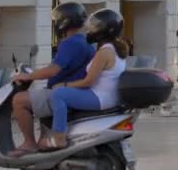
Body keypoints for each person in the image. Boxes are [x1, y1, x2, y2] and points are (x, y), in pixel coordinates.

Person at [9, 2, 95, 157]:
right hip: (74, 91)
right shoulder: (84, 42)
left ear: (65, 21)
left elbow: (53, 70)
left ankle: (29, 144)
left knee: (19, 100)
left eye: (57, 20)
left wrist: (27, 76)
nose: (55, 24)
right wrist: (34, 73)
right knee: (39, 97)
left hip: (66, 93)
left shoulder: (70, 43)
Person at [40, 9, 128, 151]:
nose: (90, 29)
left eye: (95, 26)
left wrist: (64, 84)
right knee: (63, 93)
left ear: (105, 30)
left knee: (58, 94)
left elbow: (88, 81)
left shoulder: (104, 52)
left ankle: (59, 138)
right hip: (109, 97)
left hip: (100, 98)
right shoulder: (115, 49)